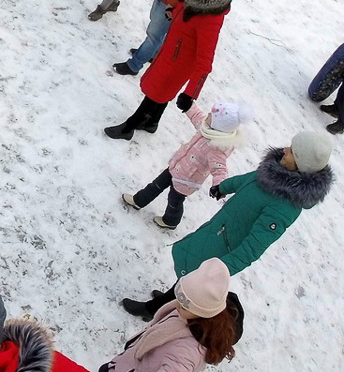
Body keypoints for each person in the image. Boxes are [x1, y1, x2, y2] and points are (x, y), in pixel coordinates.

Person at [122, 132, 334, 320]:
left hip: (223, 250)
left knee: (194, 276)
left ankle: (153, 309)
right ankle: (170, 299)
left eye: (292, 152)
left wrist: (220, 270)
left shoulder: (284, 208)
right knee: (189, 271)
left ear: (302, 166)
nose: (285, 150)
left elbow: (252, 249)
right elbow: (247, 180)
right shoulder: (275, 172)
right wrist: (223, 187)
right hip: (218, 230)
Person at [46, 259, 243, 372]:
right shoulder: (201, 316)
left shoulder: (187, 353)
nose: (177, 305)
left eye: (184, 304)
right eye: (179, 296)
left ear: (202, 311)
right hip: (130, 366)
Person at [106, 0, 233, 141]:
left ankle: (129, 127)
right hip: (170, 53)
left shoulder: (210, 18)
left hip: (178, 65)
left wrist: (190, 94)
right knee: (161, 94)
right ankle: (151, 122)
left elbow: (205, 62)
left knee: (155, 94)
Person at [123, 99, 251, 229]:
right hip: (177, 165)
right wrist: (189, 106)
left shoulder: (217, 147)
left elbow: (220, 169)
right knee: (156, 185)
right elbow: (197, 116)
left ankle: (170, 221)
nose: (208, 115)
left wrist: (220, 186)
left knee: (174, 201)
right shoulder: (207, 128)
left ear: (219, 125)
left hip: (187, 179)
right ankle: (138, 200)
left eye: (212, 116)